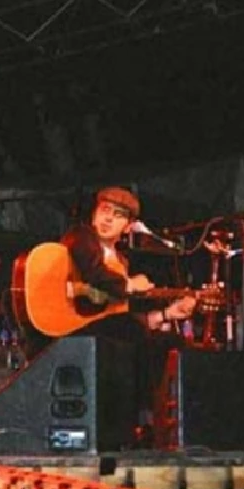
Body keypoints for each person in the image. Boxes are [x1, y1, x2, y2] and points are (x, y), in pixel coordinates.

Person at [58, 186, 196, 439]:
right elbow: (93, 273)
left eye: (118, 215)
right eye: (104, 210)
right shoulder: (81, 236)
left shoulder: (121, 262)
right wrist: (129, 285)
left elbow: (113, 313)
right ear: (94, 214)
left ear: (129, 226)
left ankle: (148, 420)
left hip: (104, 337)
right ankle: (141, 418)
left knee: (167, 340)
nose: (108, 218)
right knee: (130, 333)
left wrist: (165, 314)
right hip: (69, 330)